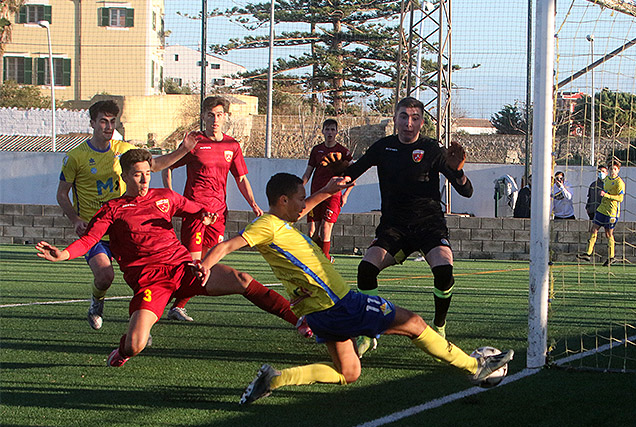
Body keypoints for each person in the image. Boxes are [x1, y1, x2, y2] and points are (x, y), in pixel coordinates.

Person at [197, 172, 514, 405]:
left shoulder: (280, 222)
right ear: (282, 201)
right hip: (338, 303)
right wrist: (206, 264)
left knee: (348, 372)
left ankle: (276, 378)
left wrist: (326, 190)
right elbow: (229, 245)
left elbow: (305, 206)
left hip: (321, 312)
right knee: (414, 323)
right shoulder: (266, 225)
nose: (302, 205)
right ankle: (477, 367)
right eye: (297, 199)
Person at [37, 149, 312, 367]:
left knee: (242, 279)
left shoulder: (164, 197)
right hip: (150, 282)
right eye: (137, 175)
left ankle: (300, 321)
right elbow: (89, 240)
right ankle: (121, 351)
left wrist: (205, 215)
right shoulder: (113, 209)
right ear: (125, 176)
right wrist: (63, 254)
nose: (144, 180)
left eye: (147, 173)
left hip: (184, 268)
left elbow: (195, 209)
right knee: (135, 345)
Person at [338, 97, 472, 347]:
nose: (408, 123)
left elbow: (466, 192)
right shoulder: (383, 147)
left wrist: (459, 172)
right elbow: (353, 172)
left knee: (444, 271)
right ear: (395, 118)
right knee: (366, 270)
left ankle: (439, 327)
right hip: (394, 226)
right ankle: (368, 332)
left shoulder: (433, 149)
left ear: (422, 122)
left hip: (429, 224)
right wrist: (337, 176)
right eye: (403, 116)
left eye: (414, 118)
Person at [57, 100, 197, 330]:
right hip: (97, 230)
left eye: (113, 122)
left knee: (143, 280)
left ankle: (141, 327)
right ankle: (97, 301)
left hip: (125, 229)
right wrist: (75, 219)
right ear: (92, 123)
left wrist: (183, 150)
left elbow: (153, 165)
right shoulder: (76, 157)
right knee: (104, 277)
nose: (108, 126)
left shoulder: (123, 150)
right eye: (103, 121)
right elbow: (62, 194)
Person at [162, 96, 264, 322]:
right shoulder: (193, 142)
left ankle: (177, 305)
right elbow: (167, 166)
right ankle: (162, 300)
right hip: (195, 212)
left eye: (219, 115)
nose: (215, 120)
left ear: (225, 117)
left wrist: (253, 204)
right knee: (193, 263)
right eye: (210, 115)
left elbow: (241, 178)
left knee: (208, 263)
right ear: (203, 117)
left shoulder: (232, 145)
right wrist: (171, 197)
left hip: (218, 213)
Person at [301, 118, 354, 260]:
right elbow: (308, 172)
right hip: (316, 194)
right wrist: (299, 189)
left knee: (326, 227)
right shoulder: (316, 150)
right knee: (312, 230)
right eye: (327, 129)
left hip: (333, 195)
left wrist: (346, 194)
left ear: (337, 132)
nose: (330, 132)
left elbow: (354, 174)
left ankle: (325, 259)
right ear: (323, 131)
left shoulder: (343, 152)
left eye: (332, 129)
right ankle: (313, 259)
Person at [577, 159, 625, 266]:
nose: (613, 171)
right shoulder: (606, 180)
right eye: (611, 169)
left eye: (615, 169)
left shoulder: (619, 183)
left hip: (612, 212)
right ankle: (588, 253)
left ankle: (611, 256)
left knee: (608, 233)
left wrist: (606, 195)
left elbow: (620, 198)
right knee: (593, 229)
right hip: (602, 209)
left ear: (618, 171)